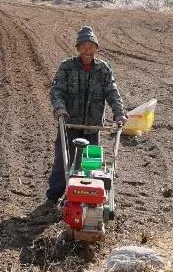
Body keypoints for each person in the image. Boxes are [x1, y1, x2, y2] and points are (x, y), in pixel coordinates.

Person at [46, 26, 127, 203]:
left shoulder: (103, 69)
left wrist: (119, 113)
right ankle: (55, 196)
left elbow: (112, 92)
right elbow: (56, 91)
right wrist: (60, 109)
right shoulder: (67, 67)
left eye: (91, 46)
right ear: (77, 48)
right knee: (63, 162)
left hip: (92, 125)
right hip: (69, 123)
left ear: (96, 48)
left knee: (91, 164)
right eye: (83, 46)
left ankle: (88, 197)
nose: (87, 50)